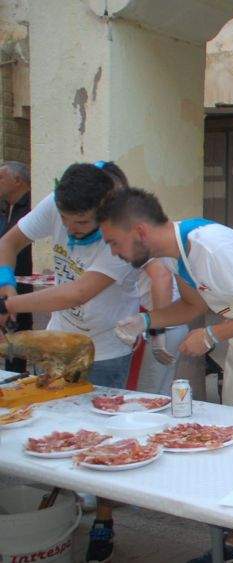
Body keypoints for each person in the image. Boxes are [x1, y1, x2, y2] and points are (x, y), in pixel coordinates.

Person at [99, 187, 233, 563]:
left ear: (140, 231)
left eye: (115, 242)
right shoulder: (174, 254)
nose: (114, 252)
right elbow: (192, 306)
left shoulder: (210, 247)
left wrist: (211, 335)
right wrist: (144, 321)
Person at [0, 162, 140, 563]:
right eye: (65, 221)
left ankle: (104, 520)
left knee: (106, 438)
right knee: (52, 429)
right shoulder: (56, 203)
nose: (71, 229)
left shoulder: (123, 233)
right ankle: (63, 504)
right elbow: (8, 242)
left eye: (81, 223)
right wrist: (6, 284)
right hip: (59, 341)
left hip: (107, 347)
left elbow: (76, 293)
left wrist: (9, 305)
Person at [97, 161, 188, 395]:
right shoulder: (121, 227)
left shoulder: (131, 233)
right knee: (157, 392)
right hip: (159, 319)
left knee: (149, 395)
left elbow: (162, 277)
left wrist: (158, 331)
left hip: (161, 319)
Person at [0, 161, 33, 371]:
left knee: (18, 333)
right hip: (5, 280)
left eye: (1, 177)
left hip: (21, 283)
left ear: (18, 181)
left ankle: (17, 375)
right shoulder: (5, 208)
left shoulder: (33, 207)